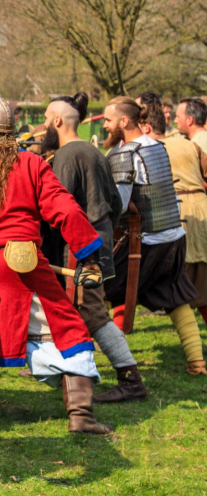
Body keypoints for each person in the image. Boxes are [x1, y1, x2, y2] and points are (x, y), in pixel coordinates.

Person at [0, 95, 113, 435]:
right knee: (68, 329)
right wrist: (89, 255)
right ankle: (81, 414)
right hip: (24, 264)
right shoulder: (32, 164)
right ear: (11, 131)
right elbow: (67, 210)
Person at [40, 92, 147, 403]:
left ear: (57, 121)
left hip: (80, 252)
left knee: (93, 313)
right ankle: (62, 369)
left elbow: (55, 208)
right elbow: (115, 204)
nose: (44, 125)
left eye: (47, 118)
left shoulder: (68, 155)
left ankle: (131, 378)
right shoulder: (94, 151)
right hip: (91, 246)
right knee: (76, 310)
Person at [103, 96, 207, 375]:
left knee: (99, 291)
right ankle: (197, 363)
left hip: (144, 241)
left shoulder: (125, 153)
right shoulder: (157, 147)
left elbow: (120, 204)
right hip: (173, 237)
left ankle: (77, 358)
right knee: (174, 297)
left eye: (108, 120)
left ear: (124, 121)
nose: (104, 126)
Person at [138, 94, 207, 324]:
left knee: (180, 283)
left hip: (177, 214)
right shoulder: (189, 144)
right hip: (202, 211)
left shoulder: (153, 150)